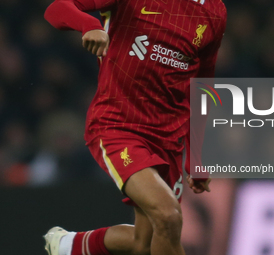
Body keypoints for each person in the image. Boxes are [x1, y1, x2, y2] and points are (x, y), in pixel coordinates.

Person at [43, 0, 226, 254]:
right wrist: (89, 25)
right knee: (168, 215)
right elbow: (56, 9)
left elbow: (203, 86)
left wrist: (196, 158)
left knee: (147, 243)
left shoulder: (215, 11)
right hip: (118, 125)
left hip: (169, 140)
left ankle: (69, 245)